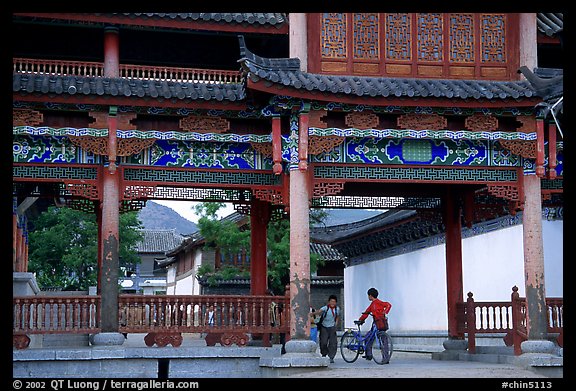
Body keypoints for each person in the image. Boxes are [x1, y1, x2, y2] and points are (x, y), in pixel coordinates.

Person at [357, 287, 392, 360]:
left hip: (376, 323)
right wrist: (384, 312)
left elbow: (366, 313)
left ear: (370, 295)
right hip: (382, 323)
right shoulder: (380, 302)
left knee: (368, 337)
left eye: (368, 296)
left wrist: (360, 320)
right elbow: (388, 305)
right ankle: (386, 357)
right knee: (384, 341)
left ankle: (368, 355)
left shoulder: (373, 304)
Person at [310, 295, 340, 363]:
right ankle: (324, 354)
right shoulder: (325, 308)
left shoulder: (337, 309)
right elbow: (319, 311)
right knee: (323, 342)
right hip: (324, 327)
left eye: (334, 302)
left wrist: (336, 324)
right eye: (331, 301)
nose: (333, 303)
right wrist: (311, 314)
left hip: (332, 327)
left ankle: (331, 356)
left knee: (333, 343)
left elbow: (337, 317)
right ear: (329, 302)